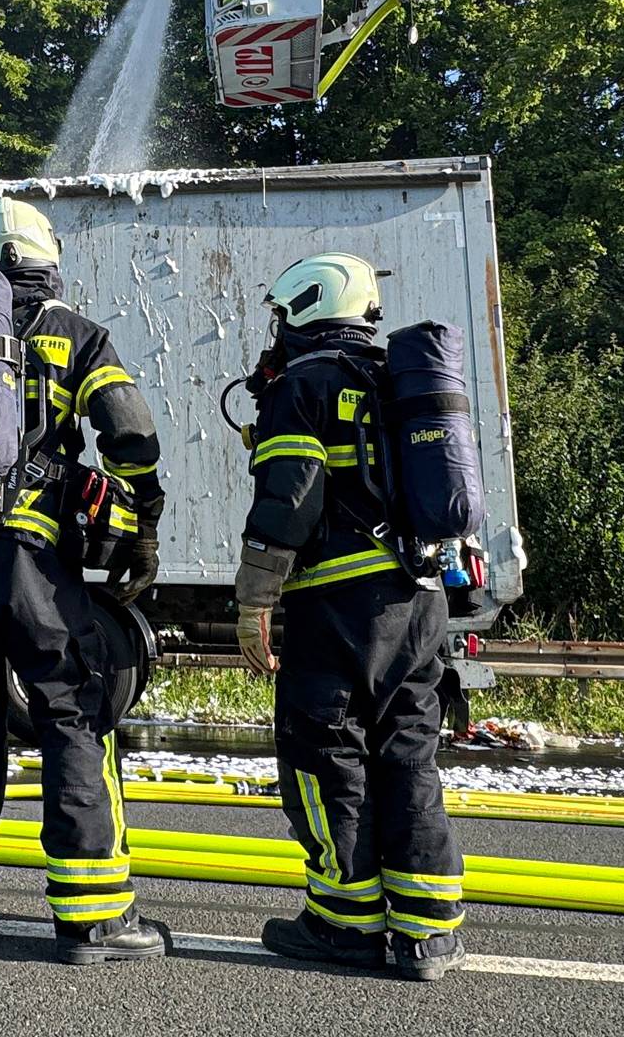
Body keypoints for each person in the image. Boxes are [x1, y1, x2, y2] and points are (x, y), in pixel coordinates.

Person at [0, 198, 171, 964]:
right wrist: (139, 517)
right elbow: (130, 435)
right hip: (36, 558)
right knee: (70, 712)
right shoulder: (79, 338)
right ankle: (93, 917)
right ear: (49, 257)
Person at [230, 253, 468, 981]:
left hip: (336, 606)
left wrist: (253, 600)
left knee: (326, 756)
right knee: (408, 755)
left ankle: (343, 923)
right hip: (420, 603)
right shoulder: (400, 380)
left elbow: (289, 502)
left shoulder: (302, 385)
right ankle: (429, 930)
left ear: (306, 305)